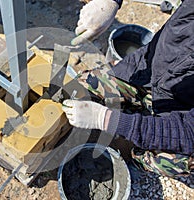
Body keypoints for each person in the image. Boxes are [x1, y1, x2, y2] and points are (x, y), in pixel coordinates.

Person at [62, 0, 194, 177]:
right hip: (150, 71)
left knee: (176, 161)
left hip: (181, 109)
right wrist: (110, 2)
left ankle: (138, 159)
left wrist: (104, 119)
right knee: (85, 85)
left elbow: (187, 133)